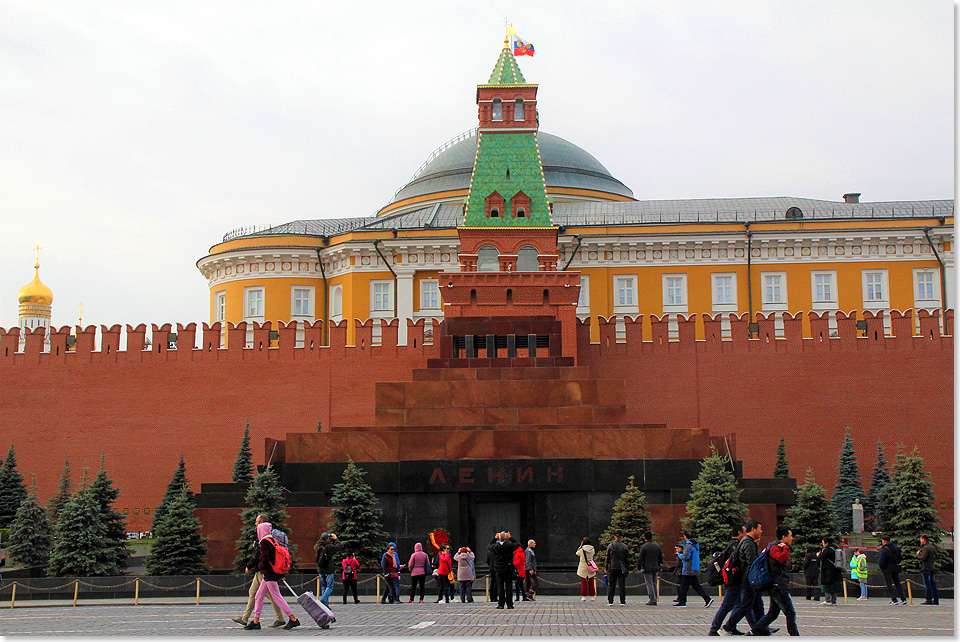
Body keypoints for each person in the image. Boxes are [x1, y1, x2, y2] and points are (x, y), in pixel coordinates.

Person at [232, 514, 286, 628]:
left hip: (263, 571)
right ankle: (245, 618)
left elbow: (259, 555)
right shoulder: (266, 536)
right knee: (254, 593)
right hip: (260, 571)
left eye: (256, 521)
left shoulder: (263, 538)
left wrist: (249, 565)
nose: (255, 523)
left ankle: (281, 618)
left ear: (261, 522)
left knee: (270, 595)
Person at [244, 521, 300, 630]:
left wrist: (260, 567)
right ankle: (256, 621)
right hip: (273, 572)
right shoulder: (273, 540)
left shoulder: (264, 542)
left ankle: (293, 619)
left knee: (276, 597)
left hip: (269, 573)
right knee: (258, 596)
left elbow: (264, 558)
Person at [722, 520, 773, 635]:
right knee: (745, 606)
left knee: (758, 606)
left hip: (750, 579)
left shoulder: (748, 542)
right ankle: (728, 626)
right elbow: (752, 563)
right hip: (749, 580)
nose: (761, 531)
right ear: (753, 529)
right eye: (760, 528)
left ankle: (762, 629)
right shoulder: (748, 543)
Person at [752, 525, 799, 636]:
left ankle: (756, 630)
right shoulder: (775, 548)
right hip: (778, 586)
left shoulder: (777, 547)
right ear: (784, 537)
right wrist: (786, 548)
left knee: (773, 613)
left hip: (778, 585)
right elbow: (782, 559)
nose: (792, 538)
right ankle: (795, 635)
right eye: (790, 536)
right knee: (790, 613)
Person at [708, 524, 745, 636]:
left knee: (739, 604)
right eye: (744, 531)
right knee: (727, 606)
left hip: (733, 579)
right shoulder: (735, 545)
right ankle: (714, 629)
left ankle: (731, 626)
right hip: (733, 580)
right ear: (739, 533)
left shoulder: (732, 544)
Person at [673, 530, 714, 608]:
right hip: (694, 568)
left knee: (684, 586)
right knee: (695, 586)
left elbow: (686, 557)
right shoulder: (695, 545)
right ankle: (707, 599)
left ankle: (682, 602)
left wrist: (679, 555)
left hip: (688, 569)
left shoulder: (688, 545)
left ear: (685, 536)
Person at [488, 531, 520, 609]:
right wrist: (510, 537)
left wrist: (495, 538)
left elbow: (489, 545)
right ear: (506, 539)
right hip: (508, 568)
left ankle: (501, 604)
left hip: (498, 569)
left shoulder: (495, 547)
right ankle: (509, 603)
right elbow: (517, 544)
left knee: (500, 586)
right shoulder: (509, 546)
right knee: (509, 586)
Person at [314, 532, 341, 607]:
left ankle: (325, 604)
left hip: (320, 569)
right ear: (327, 538)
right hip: (328, 569)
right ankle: (323, 600)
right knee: (329, 586)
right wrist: (335, 538)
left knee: (323, 586)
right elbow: (339, 546)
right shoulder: (328, 547)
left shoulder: (317, 546)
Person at [877, 535, 906, 605]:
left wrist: (882, 567)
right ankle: (903, 598)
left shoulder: (884, 550)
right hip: (895, 567)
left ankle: (894, 599)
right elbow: (900, 558)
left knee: (889, 584)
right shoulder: (896, 548)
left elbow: (881, 561)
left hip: (887, 568)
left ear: (884, 541)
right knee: (897, 582)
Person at [638, 531, 663, 606]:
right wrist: (660, 566)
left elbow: (640, 558)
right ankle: (655, 598)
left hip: (647, 568)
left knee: (649, 584)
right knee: (654, 583)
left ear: (645, 538)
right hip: (655, 567)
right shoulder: (657, 546)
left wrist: (639, 567)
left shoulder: (644, 547)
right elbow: (660, 557)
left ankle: (652, 600)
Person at [605, 532, 629, 606]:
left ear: (614, 537)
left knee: (612, 584)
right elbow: (627, 559)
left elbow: (607, 558)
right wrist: (627, 568)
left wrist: (606, 568)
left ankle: (610, 601)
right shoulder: (625, 547)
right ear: (621, 537)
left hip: (613, 567)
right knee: (622, 584)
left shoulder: (610, 546)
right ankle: (622, 601)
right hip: (621, 568)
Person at [818, 538, 842, 605]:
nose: (823, 544)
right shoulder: (835, 549)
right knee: (833, 585)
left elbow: (821, 558)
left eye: (823, 542)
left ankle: (827, 599)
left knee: (827, 585)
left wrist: (819, 554)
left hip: (828, 570)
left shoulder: (827, 550)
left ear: (827, 543)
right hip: (835, 570)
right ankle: (833, 600)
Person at [917, 534, 939, 605]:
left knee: (927, 584)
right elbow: (935, 556)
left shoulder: (925, 548)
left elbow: (923, 558)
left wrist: (918, 555)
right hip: (932, 567)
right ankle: (936, 599)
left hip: (926, 568)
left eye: (921, 539)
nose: (921, 541)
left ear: (923, 539)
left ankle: (929, 599)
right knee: (933, 584)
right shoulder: (932, 547)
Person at [576, 537, 597, 601]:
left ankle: (583, 596)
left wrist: (580, 546)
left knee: (583, 582)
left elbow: (577, 553)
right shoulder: (592, 549)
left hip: (583, 566)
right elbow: (593, 554)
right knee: (591, 582)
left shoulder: (582, 549)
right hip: (590, 566)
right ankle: (592, 596)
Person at [486, 534, 500, 603]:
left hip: (491, 568)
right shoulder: (496, 551)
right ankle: (495, 596)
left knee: (492, 583)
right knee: (497, 583)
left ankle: (492, 597)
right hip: (497, 567)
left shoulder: (489, 551)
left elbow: (488, 561)